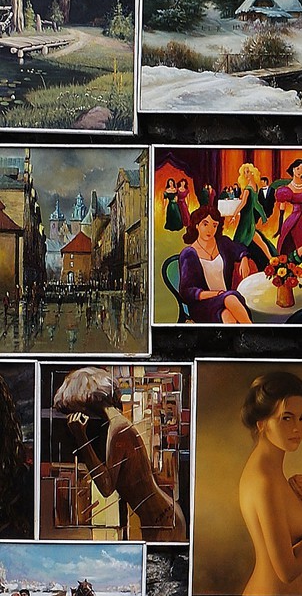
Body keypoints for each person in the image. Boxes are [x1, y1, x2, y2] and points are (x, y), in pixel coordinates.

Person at [53, 366, 187, 542]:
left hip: (163, 520)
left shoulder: (118, 430)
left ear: (86, 402)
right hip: (161, 518)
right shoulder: (116, 426)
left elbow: (107, 487)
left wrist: (81, 437)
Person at [237, 370, 302, 596]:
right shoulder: (265, 480)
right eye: (286, 418)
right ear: (262, 423)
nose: (297, 428)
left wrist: (295, 495)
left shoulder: (272, 473)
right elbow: (287, 570)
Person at [175, 203, 254, 324]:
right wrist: (217, 294)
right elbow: (186, 291)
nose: (210, 230)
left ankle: (242, 338)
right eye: (205, 224)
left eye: (214, 225)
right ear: (197, 225)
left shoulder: (222, 243)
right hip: (203, 304)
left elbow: (240, 249)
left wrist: (244, 259)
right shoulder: (189, 254)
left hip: (225, 300)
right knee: (230, 298)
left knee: (229, 318)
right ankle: (252, 331)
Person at [273, 158, 302, 257]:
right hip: (292, 219)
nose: (300, 171)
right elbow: (282, 210)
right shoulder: (286, 190)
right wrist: (280, 228)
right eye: (298, 168)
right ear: (293, 169)